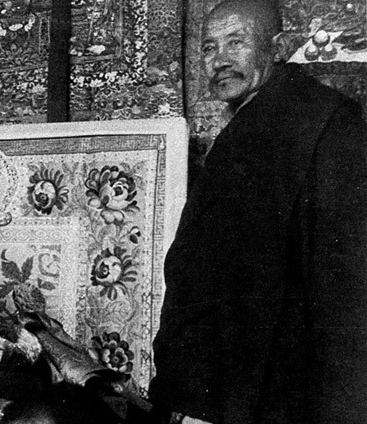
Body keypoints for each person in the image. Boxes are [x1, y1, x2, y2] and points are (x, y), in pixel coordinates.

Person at [149, 1, 367, 423]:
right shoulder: (262, 121)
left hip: (277, 379)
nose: (220, 60)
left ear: (277, 47)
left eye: (236, 42)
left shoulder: (320, 122)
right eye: (209, 48)